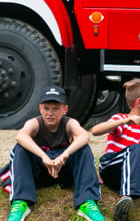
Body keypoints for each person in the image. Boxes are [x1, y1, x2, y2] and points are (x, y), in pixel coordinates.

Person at [4, 86, 104, 221]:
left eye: (56, 108)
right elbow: (20, 136)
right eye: (46, 108)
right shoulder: (34, 123)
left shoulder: (69, 123)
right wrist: (43, 156)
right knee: (19, 148)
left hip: (64, 173)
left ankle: (87, 202)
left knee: (84, 148)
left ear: (65, 109)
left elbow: (84, 136)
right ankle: (20, 202)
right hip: (39, 174)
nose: (50, 113)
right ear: (40, 108)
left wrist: (64, 155)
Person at [90, 79, 140, 221]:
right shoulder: (121, 119)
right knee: (136, 149)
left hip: (137, 174)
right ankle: (125, 198)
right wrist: (126, 121)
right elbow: (95, 131)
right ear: (139, 102)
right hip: (112, 170)